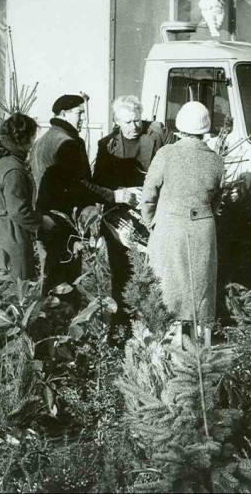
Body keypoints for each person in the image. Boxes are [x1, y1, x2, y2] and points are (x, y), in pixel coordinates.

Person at [30, 94, 134, 295]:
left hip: (45, 219)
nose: (82, 119)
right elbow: (80, 184)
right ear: (63, 113)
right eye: (78, 113)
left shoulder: (43, 141)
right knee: (69, 281)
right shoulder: (67, 143)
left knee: (50, 278)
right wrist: (114, 196)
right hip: (65, 222)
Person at [141, 101, 224, 346]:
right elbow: (216, 200)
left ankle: (163, 347)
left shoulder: (166, 154)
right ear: (205, 130)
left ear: (179, 127)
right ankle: (198, 347)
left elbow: (149, 194)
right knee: (200, 287)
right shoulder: (216, 161)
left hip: (169, 227)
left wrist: (150, 222)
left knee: (166, 285)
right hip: (203, 228)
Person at [91, 95, 171, 340]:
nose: (133, 126)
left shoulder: (156, 135)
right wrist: (120, 194)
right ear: (116, 121)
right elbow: (99, 183)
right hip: (119, 220)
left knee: (152, 271)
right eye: (127, 122)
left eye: (137, 120)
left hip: (151, 216)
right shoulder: (107, 145)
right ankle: (122, 327)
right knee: (121, 272)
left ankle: (154, 324)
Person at [0, 113, 53, 281]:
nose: (34, 143)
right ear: (23, 138)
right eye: (33, 137)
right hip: (11, 234)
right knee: (17, 287)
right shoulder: (13, 169)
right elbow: (18, 211)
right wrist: (41, 221)